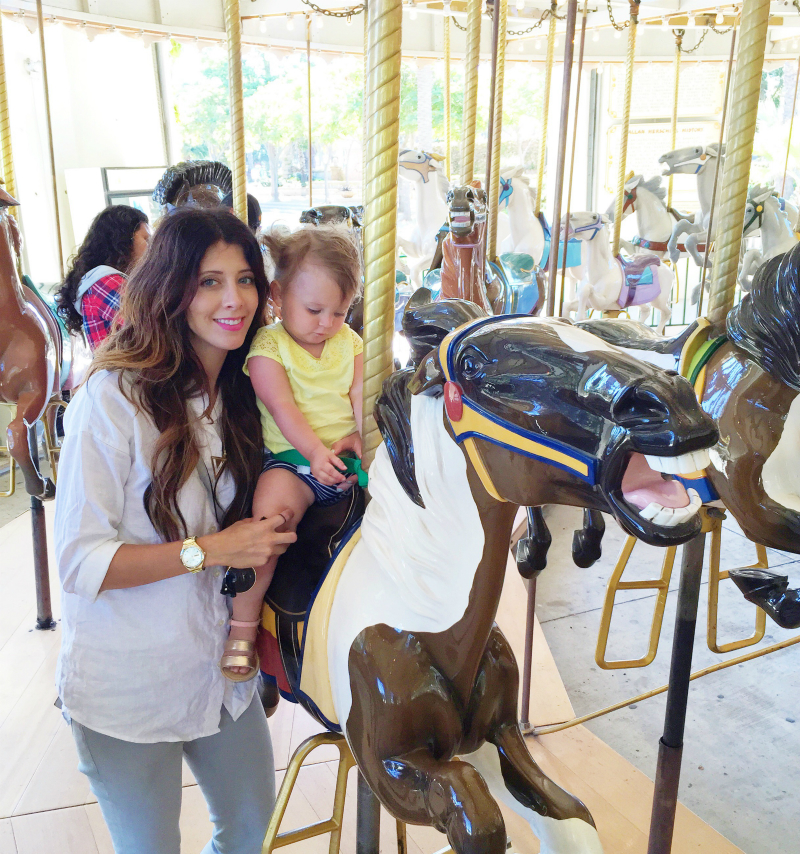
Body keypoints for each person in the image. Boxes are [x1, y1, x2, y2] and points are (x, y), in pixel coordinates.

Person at [54, 208, 297, 854]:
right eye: (209, 281)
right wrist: (212, 550)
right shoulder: (112, 399)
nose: (233, 299)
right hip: (128, 685)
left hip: (218, 674)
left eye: (245, 280)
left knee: (251, 832)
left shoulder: (244, 396)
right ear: (171, 288)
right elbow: (80, 563)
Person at [220, 227, 364, 680]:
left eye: (340, 312)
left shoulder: (353, 343)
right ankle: (243, 629)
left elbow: (363, 396)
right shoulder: (269, 348)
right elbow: (283, 410)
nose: (326, 323)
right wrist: (315, 453)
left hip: (349, 460)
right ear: (279, 296)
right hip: (293, 463)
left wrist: (361, 439)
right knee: (268, 527)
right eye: (315, 309)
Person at [55, 205, 151, 350]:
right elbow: (149, 328)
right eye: (146, 239)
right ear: (124, 241)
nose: (152, 247)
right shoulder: (105, 282)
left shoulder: (103, 280)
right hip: (123, 371)